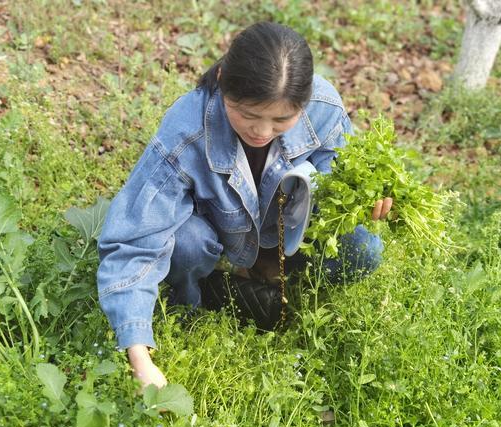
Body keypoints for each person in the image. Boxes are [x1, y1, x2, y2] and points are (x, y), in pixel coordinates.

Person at [96, 22, 393, 389]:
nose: (262, 132)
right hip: (218, 233)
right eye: (248, 115)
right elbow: (135, 241)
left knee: (363, 249)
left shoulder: (323, 106)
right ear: (222, 81)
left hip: (282, 229)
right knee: (186, 243)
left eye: (282, 120)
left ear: (306, 99)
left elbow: (343, 166)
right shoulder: (185, 131)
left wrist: (367, 196)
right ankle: (190, 304)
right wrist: (138, 355)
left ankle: (290, 288)